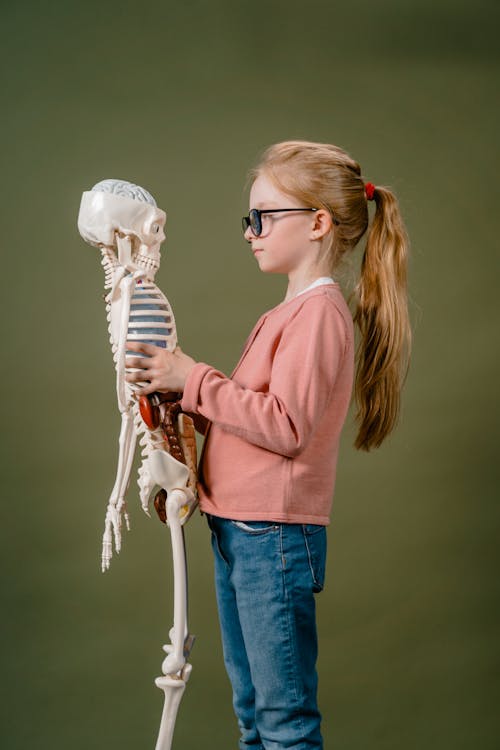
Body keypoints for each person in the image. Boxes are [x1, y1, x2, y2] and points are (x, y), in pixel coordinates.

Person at [125, 140, 411, 750]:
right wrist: (182, 403)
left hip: (272, 540)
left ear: (317, 222)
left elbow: (285, 427)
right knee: (253, 712)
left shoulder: (318, 316)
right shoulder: (289, 312)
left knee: (283, 722)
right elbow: (253, 422)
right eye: (247, 219)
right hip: (241, 531)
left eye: (262, 217)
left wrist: (193, 378)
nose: (250, 232)